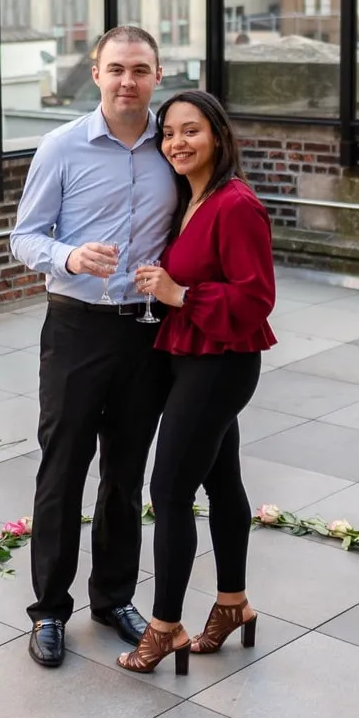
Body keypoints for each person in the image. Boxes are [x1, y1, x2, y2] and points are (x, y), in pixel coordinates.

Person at [9, 25, 179, 668]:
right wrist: (70, 254)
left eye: (140, 69)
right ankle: (50, 610)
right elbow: (24, 238)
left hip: (147, 333)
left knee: (125, 475)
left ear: (157, 76)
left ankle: (112, 599)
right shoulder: (62, 148)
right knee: (63, 469)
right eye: (116, 69)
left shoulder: (173, 145)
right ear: (96, 72)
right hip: (78, 327)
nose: (127, 81)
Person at [119, 90, 276, 675]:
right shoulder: (193, 198)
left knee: (169, 490)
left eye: (191, 131)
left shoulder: (236, 205)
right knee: (222, 481)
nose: (177, 143)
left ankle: (164, 628)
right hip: (195, 356)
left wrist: (179, 294)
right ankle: (233, 604)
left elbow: (258, 297)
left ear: (217, 136)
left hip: (221, 362)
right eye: (168, 134)